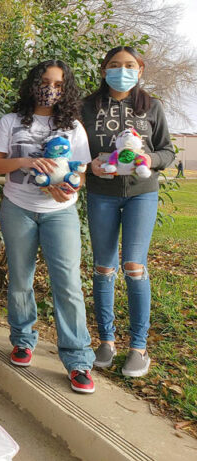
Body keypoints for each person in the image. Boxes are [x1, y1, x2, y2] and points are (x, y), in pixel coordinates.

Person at [0, 60, 97, 394]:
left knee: (68, 283)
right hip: (18, 208)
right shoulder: (10, 122)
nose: (51, 89)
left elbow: (81, 172)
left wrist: (66, 186)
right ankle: (22, 341)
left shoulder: (73, 126)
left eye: (59, 85)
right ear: (33, 83)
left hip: (59, 212)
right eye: (45, 82)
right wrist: (26, 161)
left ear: (66, 90)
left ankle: (78, 360)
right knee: (20, 278)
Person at [82, 46, 175, 377]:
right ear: (104, 68)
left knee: (134, 266)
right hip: (102, 194)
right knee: (104, 267)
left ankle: (139, 347)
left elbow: (167, 151)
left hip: (141, 194)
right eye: (115, 65)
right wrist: (89, 166)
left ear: (140, 69)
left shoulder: (152, 106)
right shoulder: (88, 107)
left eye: (129, 65)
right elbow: (78, 151)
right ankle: (106, 342)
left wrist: (151, 160)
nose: (122, 70)